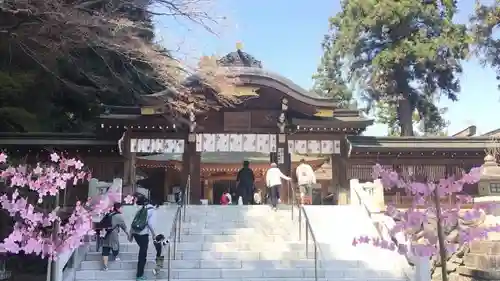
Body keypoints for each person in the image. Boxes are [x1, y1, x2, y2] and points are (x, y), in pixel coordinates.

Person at [129, 193, 156, 281]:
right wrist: (154, 234)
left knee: (142, 251)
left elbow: (134, 221)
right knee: (142, 255)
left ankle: (140, 274)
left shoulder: (141, 209)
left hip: (136, 233)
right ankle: (139, 275)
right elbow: (150, 223)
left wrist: (131, 234)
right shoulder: (151, 209)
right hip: (143, 234)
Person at [99, 202, 129, 271]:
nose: (122, 209)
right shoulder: (119, 216)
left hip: (105, 234)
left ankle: (105, 266)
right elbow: (124, 227)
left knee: (105, 249)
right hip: (113, 234)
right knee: (115, 245)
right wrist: (128, 234)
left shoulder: (109, 214)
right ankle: (116, 256)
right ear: (118, 208)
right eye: (122, 208)